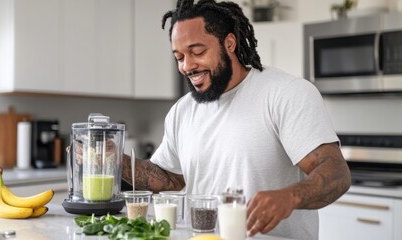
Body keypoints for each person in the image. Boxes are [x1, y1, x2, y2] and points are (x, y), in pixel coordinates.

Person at [121, 0, 351, 239]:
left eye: (197, 52)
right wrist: (113, 159)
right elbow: (169, 178)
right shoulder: (183, 111)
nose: (187, 66)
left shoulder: (286, 93)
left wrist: (290, 196)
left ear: (229, 43)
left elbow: (336, 173)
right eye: (179, 57)